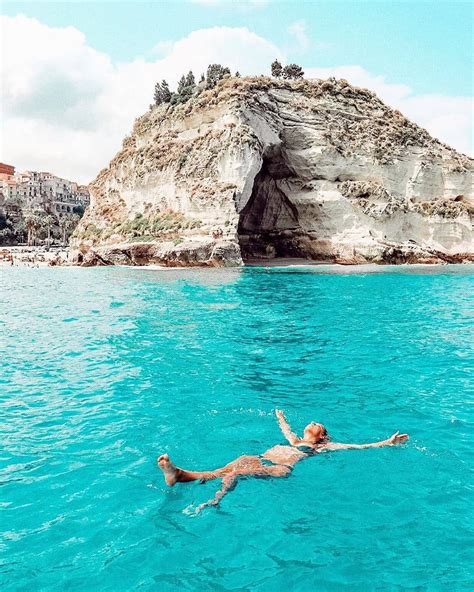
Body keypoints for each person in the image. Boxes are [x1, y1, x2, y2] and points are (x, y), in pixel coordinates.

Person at [157, 409, 409, 512]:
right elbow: (286, 429)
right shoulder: (294, 440)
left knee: (236, 472)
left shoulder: (323, 448)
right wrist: (280, 416)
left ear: (321, 436)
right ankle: (178, 475)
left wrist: (387, 443)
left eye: (317, 425)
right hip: (260, 460)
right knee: (232, 465)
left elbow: (357, 446)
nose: (313, 422)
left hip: (279, 468)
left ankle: (214, 500)